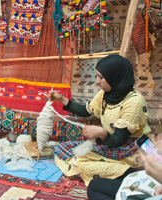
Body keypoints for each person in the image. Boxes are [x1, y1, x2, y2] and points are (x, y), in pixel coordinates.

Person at [48, 54, 151, 199]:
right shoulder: (105, 95)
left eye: (101, 77)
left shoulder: (134, 102)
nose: (97, 81)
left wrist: (102, 133)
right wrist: (61, 99)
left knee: (84, 164)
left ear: (115, 77)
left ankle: (125, 173)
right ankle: (114, 175)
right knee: (61, 148)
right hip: (111, 145)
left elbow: (118, 140)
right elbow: (86, 110)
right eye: (97, 76)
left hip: (130, 151)